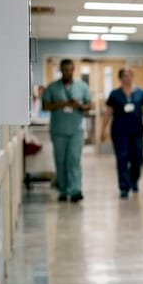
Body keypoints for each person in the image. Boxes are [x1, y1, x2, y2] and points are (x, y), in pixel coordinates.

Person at [39, 58, 92, 202]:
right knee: (60, 161)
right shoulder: (52, 88)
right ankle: (63, 190)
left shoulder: (82, 86)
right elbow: (45, 106)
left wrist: (79, 105)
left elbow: (89, 105)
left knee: (74, 160)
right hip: (59, 131)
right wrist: (60, 104)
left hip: (76, 131)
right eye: (66, 70)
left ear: (73, 70)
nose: (69, 73)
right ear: (61, 70)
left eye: (71, 70)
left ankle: (75, 190)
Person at [100, 67, 143, 198]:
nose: (127, 78)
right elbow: (108, 113)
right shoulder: (115, 94)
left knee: (137, 158)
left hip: (136, 131)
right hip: (119, 131)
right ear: (120, 78)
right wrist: (103, 129)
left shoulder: (140, 93)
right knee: (122, 159)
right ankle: (124, 187)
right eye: (125, 76)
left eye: (129, 75)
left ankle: (134, 180)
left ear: (133, 77)